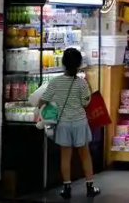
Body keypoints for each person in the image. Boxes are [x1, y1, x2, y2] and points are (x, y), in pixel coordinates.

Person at [39, 48, 100, 198]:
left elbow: (43, 101)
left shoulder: (55, 82)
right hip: (79, 122)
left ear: (63, 63)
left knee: (65, 156)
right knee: (85, 154)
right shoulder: (82, 83)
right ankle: (90, 187)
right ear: (79, 64)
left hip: (63, 123)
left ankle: (66, 188)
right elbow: (86, 102)